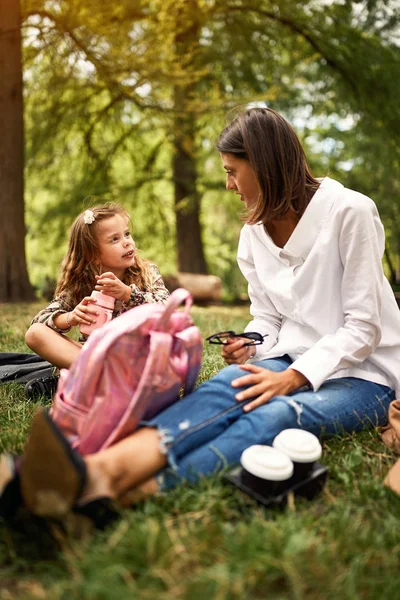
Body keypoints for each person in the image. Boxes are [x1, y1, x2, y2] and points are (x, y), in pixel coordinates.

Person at [2, 107, 400, 527]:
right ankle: (92, 473)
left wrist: (293, 378)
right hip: (288, 359)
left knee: (277, 414)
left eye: (233, 171)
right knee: (222, 389)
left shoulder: (350, 212)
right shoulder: (253, 233)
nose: (229, 185)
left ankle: (125, 490)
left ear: (265, 164)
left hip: (366, 375)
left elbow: (363, 326)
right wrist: (253, 342)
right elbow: (268, 317)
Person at [24, 202, 170, 398]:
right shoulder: (83, 283)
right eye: (115, 239)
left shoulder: (146, 272)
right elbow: (40, 320)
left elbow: (169, 308)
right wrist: (70, 317)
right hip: (99, 358)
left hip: (137, 356)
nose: (127, 242)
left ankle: (77, 381)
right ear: (94, 256)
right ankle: (105, 380)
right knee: (35, 333)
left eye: (127, 234)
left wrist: (128, 294)